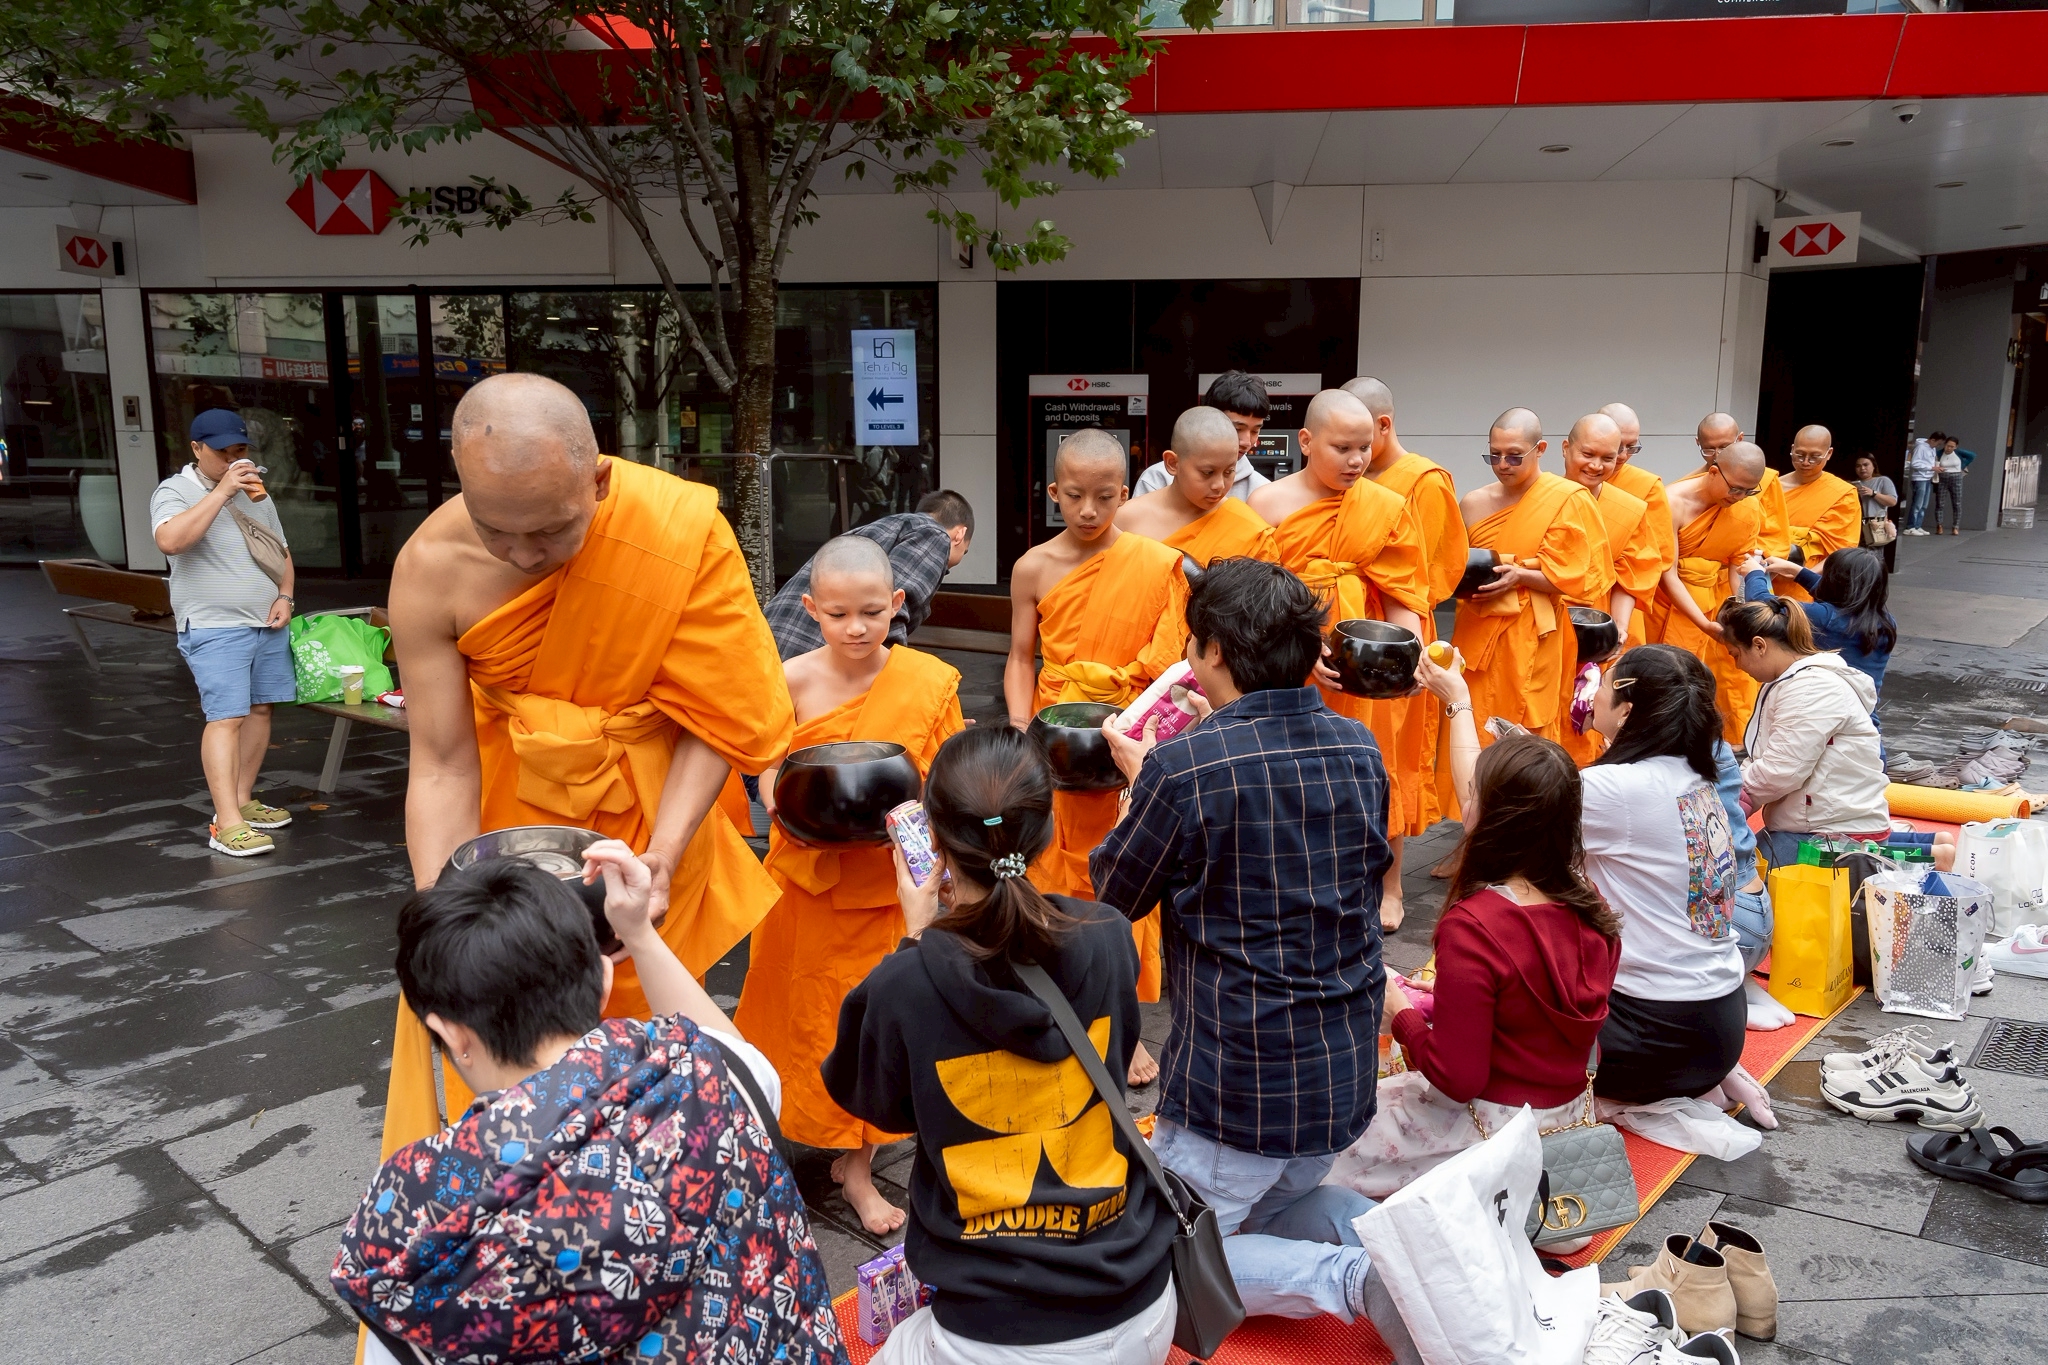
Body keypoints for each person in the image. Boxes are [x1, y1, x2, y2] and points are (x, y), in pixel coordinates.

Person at [380, 373, 792, 1160]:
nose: (524, 554)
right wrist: (443, 919)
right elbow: (439, 762)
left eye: (553, 531)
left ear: (597, 480)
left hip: (652, 815)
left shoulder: (676, 531)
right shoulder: (430, 566)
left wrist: (665, 853)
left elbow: (718, 715)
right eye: (497, 529)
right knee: (504, 1041)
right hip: (518, 830)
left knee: (657, 1064)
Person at [335, 845, 845, 1365]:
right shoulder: (716, 1079)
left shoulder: (410, 1225)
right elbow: (728, 1048)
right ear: (605, 982)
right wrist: (639, 933)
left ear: (448, 1032)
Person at [820, 726, 1179, 1364]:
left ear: (932, 841)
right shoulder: (1108, 936)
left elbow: (874, 1103)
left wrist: (918, 936)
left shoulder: (908, 980)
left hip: (997, 1337)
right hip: (1145, 1305)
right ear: (1045, 831)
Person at [1090, 559, 1384, 1325]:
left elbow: (1113, 897)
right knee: (1281, 1202)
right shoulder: (1359, 745)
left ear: (1213, 651)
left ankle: (1354, 1280)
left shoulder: (1184, 767)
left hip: (1239, 1084)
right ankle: (1407, 1249)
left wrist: (1139, 783)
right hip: (1342, 1073)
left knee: (1163, 1252)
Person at [1422, 644, 1776, 1115]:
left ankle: (1654, 1080)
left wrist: (1458, 701)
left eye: (1603, 686)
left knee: (1472, 1020)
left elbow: (1480, 812)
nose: (1592, 695)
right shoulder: (1694, 773)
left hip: (1655, 1033)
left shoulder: (1618, 789)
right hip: (1716, 1019)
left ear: (1627, 709)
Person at [733, 536, 963, 1234]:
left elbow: (945, 781)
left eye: (871, 611)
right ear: (811, 609)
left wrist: (945, 873)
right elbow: (763, 766)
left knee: (875, 1027)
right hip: (808, 883)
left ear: (898, 604)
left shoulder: (926, 679)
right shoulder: (793, 676)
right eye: (838, 614)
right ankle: (808, 1140)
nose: (857, 628)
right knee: (805, 1021)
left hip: (891, 885)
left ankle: (857, 1164)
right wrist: (780, 801)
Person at [1325, 727, 1621, 1199]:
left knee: (1326, 1138)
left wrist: (1401, 1012)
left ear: (1492, 818)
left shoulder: (1476, 926)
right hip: (1565, 1127)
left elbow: (1459, 1079)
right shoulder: (1594, 909)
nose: (1466, 804)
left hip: (1486, 1131)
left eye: (1473, 795)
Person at [1006, 428, 1187, 1085]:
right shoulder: (1033, 566)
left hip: (1129, 731)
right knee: (1053, 871)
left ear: (1126, 490)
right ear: (1054, 491)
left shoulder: (1155, 562)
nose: (1088, 509)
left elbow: (1172, 662)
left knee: (1128, 876)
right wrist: (1022, 728)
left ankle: (1124, 1023)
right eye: (1075, 496)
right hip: (1057, 737)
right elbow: (1021, 657)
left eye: (1105, 496)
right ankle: (1060, 1004)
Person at [1252, 389, 1430, 930]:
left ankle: (1390, 884)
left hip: (1365, 664)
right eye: (1342, 448)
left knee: (1379, 763)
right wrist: (1300, 656)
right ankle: (1295, 880)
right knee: (1292, 773)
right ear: (1305, 442)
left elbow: (1405, 594)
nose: (1356, 461)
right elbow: (1257, 598)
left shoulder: (1384, 507)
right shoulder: (1266, 505)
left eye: (1364, 449)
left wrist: (1408, 654)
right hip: (1289, 661)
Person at [149, 408, 298, 858]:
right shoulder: (174, 491)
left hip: (265, 619)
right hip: (214, 624)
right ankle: (225, 823)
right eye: (223, 452)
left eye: (241, 450)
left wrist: (286, 596)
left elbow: (280, 551)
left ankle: (242, 800)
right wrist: (223, 491)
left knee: (260, 711)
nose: (234, 458)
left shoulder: (257, 493)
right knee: (226, 717)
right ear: (196, 449)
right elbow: (171, 541)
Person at [1347, 374, 1469, 835]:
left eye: (1359, 441)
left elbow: (1435, 571)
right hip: (1348, 626)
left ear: (1382, 424)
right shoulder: (1349, 479)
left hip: (1397, 630)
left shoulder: (1424, 481)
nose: (1352, 455)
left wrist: (1382, 601)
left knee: (1391, 751)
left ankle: (1395, 883)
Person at [1450, 407, 1609, 744]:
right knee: (1469, 720)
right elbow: (1454, 565)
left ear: (1541, 450)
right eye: (1494, 455)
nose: (1503, 465)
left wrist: (1520, 576)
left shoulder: (1568, 499)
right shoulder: (1473, 502)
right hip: (1478, 629)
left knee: (1528, 727)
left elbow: (1580, 578)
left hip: (1535, 634)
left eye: (1514, 456)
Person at [1716, 597, 1890, 868]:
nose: (1738, 666)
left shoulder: (1811, 688)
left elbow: (1782, 769)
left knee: (1735, 879)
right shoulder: (1793, 681)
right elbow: (1768, 757)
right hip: (1814, 822)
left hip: (1832, 831)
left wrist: (1729, 802)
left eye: (1736, 655)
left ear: (1759, 645)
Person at [1555, 413, 1659, 766]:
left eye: (1608, 458)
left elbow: (1633, 572)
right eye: (1588, 454)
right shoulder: (1541, 497)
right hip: (1545, 619)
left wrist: (1619, 626)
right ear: (1566, 448)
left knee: (1591, 706)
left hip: (1597, 625)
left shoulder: (1629, 509)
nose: (1597, 466)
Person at [1651, 441, 1768, 745]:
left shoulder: (1747, 506)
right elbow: (1668, 573)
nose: (1740, 497)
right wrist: (1703, 624)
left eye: (1748, 491)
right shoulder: (1672, 502)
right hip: (1663, 607)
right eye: (1735, 489)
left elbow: (1738, 562)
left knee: (1697, 684)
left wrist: (1745, 609)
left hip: (1710, 603)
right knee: (1661, 681)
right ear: (1714, 472)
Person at [763, 490, 974, 659]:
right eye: (965, 552)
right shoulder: (935, 536)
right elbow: (893, 614)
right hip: (814, 658)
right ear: (959, 535)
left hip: (765, 648)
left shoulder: (877, 529)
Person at [1115, 405, 1279, 566]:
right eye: (1207, 472)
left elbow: (1265, 591)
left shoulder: (1247, 528)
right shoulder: (1125, 520)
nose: (1219, 485)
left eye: (1229, 472)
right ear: (1172, 463)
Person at [1743, 545, 1896, 694]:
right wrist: (1798, 572)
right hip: (1864, 714)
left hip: (1824, 711)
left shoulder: (1825, 618)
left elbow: (1764, 604)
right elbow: (1844, 593)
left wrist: (1754, 574)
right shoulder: (1886, 621)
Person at [1131, 369, 1272, 501]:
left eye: (1255, 431)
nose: (1247, 442)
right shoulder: (1157, 479)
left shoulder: (1262, 491)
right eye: (1237, 429)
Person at [1777, 424, 1862, 606]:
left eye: (1815, 457)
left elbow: (1841, 550)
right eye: (1800, 455)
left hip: (1809, 584)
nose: (1806, 462)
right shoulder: (1773, 486)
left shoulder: (1841, 493)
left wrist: (1803, 576)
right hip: (1767, 576)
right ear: (1792, 449)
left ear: (1829, 454)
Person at [1600, 401, 1677, 590]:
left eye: (1632, 446)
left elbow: (1659, 557)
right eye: (1618, 446)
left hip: (1626, 591)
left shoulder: (1647, 486)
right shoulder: (1575, 481)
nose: (1623, 455)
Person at [1851, 454, 1900, 571]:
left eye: (1865, 465)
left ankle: (1875, 583)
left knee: (1874, 559)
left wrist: (1873, 493)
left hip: (1873, 525)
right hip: (1855, 526)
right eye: (1858, 466)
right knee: (1855, 558)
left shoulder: (1882, 480)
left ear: (1873, 466)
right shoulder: (1852, 484)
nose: (1862, 468)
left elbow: (1892, 501)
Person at [1932, 435, 1968, 535]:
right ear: (1944, 444)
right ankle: (1939, 525)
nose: (1949, 448)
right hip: (1943, 478)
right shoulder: (1939, 453)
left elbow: (1972, 455)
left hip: (1956, 477)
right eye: (1948, 446)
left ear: (1956, 447)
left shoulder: (1958, 453)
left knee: (1957, 503)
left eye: (1952, 446)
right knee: (1940, 503)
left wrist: (1963, 466)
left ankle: (1955, 526)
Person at [1904, 431, 1938, 534]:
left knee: (1924, 504)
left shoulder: (1932, 448)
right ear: (1932, 440)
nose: (1937, 445)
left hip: (1927, 478)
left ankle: (1917, 525)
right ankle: (1910, 527)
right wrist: (1931, 468)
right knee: (1918, 503)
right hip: (1919, 478)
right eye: (1938, 443)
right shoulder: (1921, 447)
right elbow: (1914, 463)